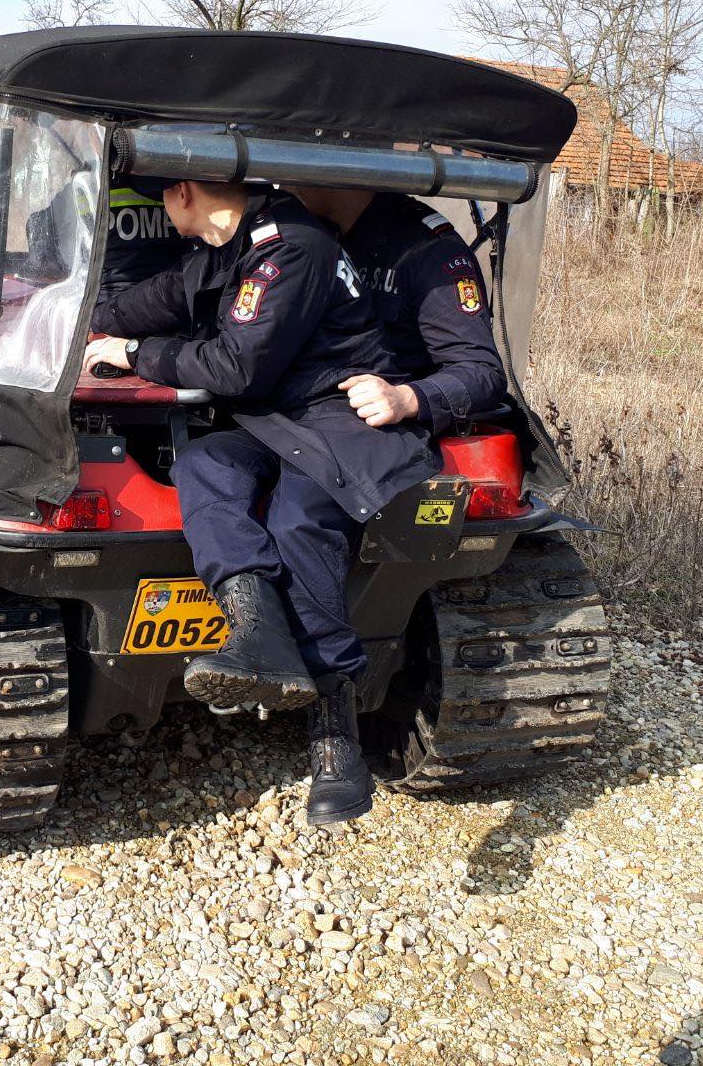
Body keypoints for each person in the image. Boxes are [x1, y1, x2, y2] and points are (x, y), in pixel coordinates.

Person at [84, 180, 439, 826]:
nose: (160, 209)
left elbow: (236, 368)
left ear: (183, 192)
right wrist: (80, 322)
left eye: (162, 195)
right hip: (278, 422)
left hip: (337, 422)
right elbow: (159, 297)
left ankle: (336, 740)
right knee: (204, 464)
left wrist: (135, 354)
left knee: (298, 522)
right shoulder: (231, 246)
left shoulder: (293, 248)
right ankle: (256, 629)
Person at [291, 189, 507, 433]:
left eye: (300, 171)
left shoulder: (428, 250)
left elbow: (481, 371)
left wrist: (406, 398)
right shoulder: (308, 235)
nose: (285, 182)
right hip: (314, 415)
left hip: (396, 435)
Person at [26, 175, 187, 320]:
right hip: (174, 302)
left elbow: (39, 231)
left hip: (108, 309)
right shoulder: (172, 178)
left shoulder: (85, 182)